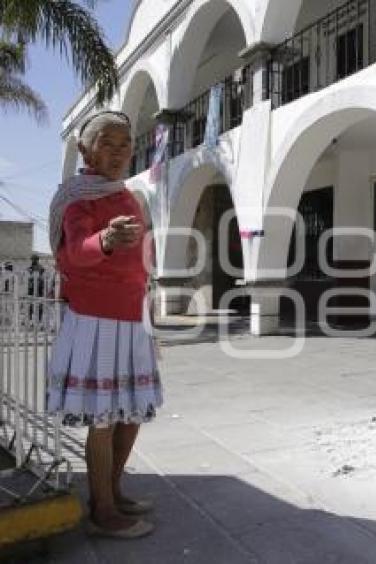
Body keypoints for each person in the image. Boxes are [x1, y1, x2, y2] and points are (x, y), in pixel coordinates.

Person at [46, 110, 163, 539]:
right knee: (104, 418)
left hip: (133, 320)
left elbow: (141, 267)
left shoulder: (126, 194)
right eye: (106, 143)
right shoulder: (77, 198)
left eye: (124, 144)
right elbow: (75, 251)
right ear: (85, 150)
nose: (117, 153)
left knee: (131, 412)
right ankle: (103, 511)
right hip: (96, 321)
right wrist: (105, 241)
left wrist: (150, 320)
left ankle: (113, 490)